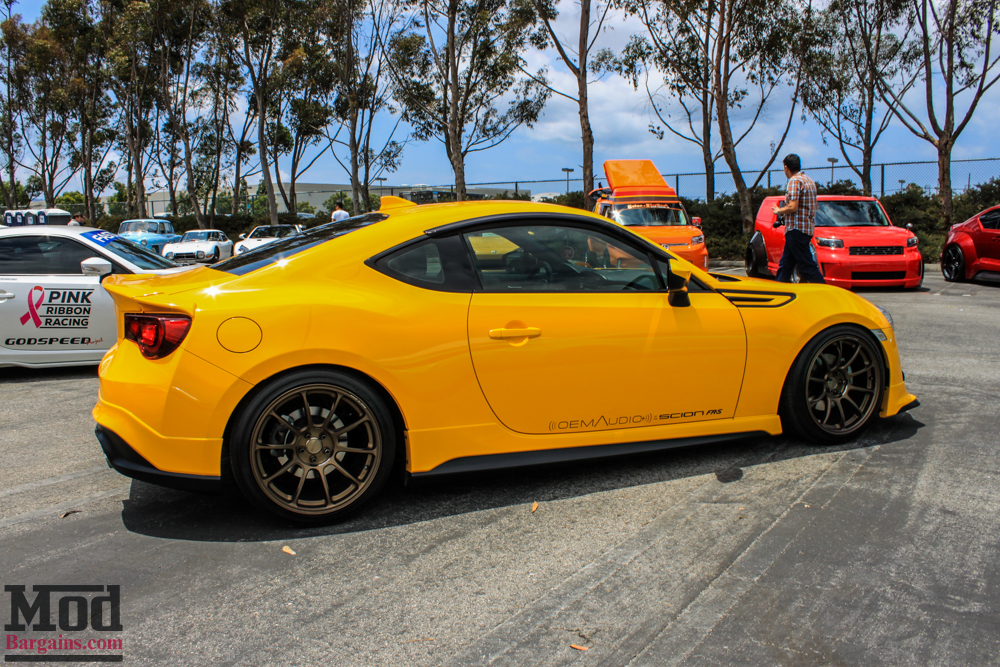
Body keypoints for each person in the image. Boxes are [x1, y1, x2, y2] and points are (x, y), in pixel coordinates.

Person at [771, 154, 825, 284]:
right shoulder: (809, 180)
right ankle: (780, 288)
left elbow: (793, 207)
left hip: (796, 229)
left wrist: (779, 211)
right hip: (807, 228)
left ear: (786, 167)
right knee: (786, 265)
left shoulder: (794, 181)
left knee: (806, 265)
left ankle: (824, 290)